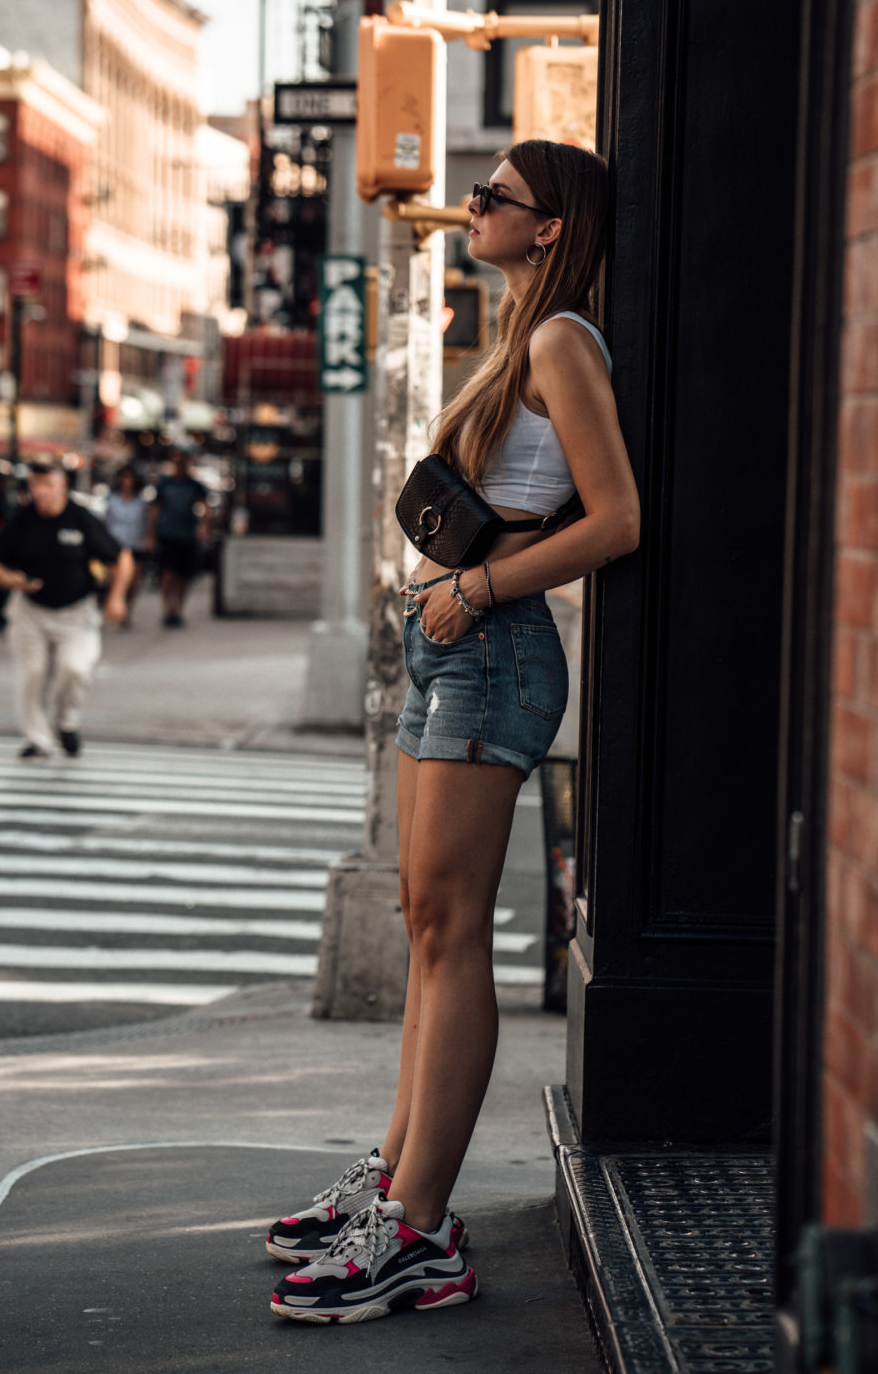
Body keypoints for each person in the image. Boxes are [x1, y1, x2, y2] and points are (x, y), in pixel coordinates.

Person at [267, 141, 640, 1324]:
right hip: (447, 647)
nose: (471, 205)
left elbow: (616, 518)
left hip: (492, 646)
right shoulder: (521, 332)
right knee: (424, 921)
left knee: (452, 929)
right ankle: (393, 1180)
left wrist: (473, 588)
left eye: (494, 196)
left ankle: (420, 1230)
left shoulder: (560, 340)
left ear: (549, 226)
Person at [0, 458, 133, 758]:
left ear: (62, 485)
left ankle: (66, 721)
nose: (41, 492)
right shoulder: (22, 520)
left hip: (75, 610)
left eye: (48, 485)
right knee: (32, 674)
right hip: (30, 610)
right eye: (36, 485)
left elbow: (121, 558)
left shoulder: (80, 518)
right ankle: (39, 740)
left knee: (75, 668)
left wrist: (117, 598)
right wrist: (11, 579)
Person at [146, 448, 207, 628]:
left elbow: (205, 508)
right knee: (167, 574)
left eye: (182, 462)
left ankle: (178, 609)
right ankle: (168, 608)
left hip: (187, 536)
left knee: (183, 576)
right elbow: (155, 509)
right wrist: (150, 533)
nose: (180, 466)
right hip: (167, 535)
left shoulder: (194, 485)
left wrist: (204, 528)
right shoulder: (164, 484)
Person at [103, 464, 148, 624]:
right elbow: (106, 522)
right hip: (116, 545)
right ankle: (115, 607)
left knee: (133, 583)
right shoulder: (111, 500)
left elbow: (147, 523)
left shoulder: (141, 503)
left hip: (135, 544)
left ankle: (127, 609)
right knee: (115, 580)